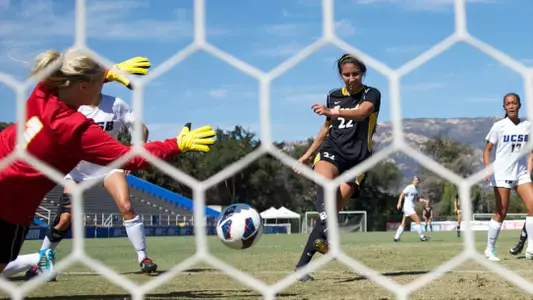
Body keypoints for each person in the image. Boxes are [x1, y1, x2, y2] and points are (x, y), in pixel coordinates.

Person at [0, 48, 217, 277]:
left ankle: (37, 259)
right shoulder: (73, 128)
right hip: (11, 203)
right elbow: (133, 159)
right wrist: (177, 144)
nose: (101, 90)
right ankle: (37, 259)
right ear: (84, 87)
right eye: (100, 84)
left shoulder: (44, 90)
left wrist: (109, 73)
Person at [7, 91, 157, 281]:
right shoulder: (74, 104)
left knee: (126, 207)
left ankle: (143, 258)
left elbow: (140, 127)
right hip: (76, 171)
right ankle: (40, 264)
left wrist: (137, 150)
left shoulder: (116, 104)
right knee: (64, 219)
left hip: (108, 166)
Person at [292, 53, 381, 281]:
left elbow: (362, 113)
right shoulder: (333, 95)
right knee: (325, 188)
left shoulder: (372, 94)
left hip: (358, 160)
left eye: (355, 74)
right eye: (346, 74)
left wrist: (334, 111)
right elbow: (325, 129)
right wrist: (308, 154)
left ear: (362, 73)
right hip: (331, 151)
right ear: (340, 75)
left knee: (330, 213)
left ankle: (303, 264)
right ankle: (326, 237)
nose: (351, 78)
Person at [483, 92, 533, 262]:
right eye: (508, 104)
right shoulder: (499, 126)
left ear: (519, 105)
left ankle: (531, 248)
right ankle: (489, 249)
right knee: (501, 212)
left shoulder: (528, 126)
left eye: (514, 103)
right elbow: (487, 149)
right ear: (504, 107)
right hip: (502, 172)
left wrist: (529, 172)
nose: (511, 106)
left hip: (520, 173)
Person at [393, 176, 430, 242]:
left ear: (419, 182)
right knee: (417, 220)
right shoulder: (409, 187)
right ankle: (422, 237)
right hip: (407, 207)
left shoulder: (418, 189)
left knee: (403, 223)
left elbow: (417, 199)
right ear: (412, 181)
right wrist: (399, 203)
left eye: (417, 180)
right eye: (415, 180)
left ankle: (396, 237)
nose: (416, 181)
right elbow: (402, 194)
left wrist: (424, 200)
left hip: (410, 208)